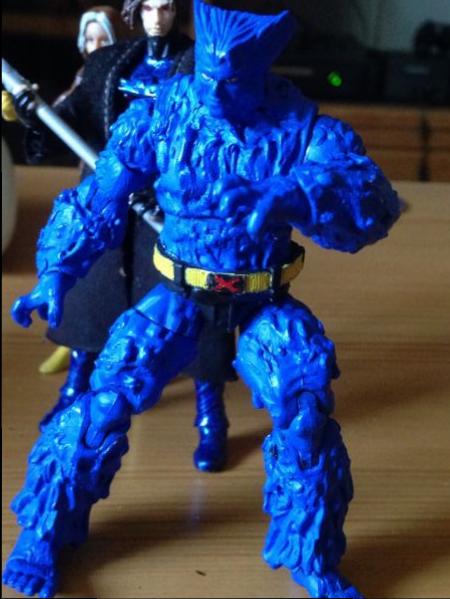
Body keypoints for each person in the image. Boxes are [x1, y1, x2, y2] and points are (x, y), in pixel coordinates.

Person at [3, 1, 400, 598]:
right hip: (178, 292)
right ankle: (43, 530)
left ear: (261, 74)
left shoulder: (299, 126)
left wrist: (291, 194)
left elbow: (373, 202)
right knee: (103, 398)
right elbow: (98, 197)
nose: (214, 92)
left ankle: (311, 552)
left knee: (304, 406)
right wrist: (56, 272)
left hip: (262, 296)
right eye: (209, 76)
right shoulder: (165, 112)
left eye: (232, 82)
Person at [9, 0, 233, 474]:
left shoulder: (202, 65)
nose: (157, 17)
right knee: (92, 298)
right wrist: (33, 114)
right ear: (135, 11)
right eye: (148, 6)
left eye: (166, 7)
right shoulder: (111, 63)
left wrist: (174, 187)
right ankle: (76, 386)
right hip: (112, 199)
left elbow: (220, 135)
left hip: (173, 208)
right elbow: (73, 119)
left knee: (195, 312)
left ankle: (210, 414)